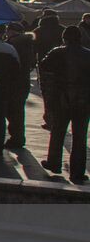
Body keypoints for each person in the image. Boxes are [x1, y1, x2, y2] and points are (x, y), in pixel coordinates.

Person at [40, 26, 90, 184]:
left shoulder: (57, 52)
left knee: (58, 131)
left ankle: (54, 163)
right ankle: (77, 172)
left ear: (64, 38)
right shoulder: (88, 54)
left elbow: (43, 65)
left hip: (61, 98)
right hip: (84, 100)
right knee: (80, 136)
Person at [8, 21, 37, 147]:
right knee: (18, 111)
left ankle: (16, 138)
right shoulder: (29, 44)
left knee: (11, 111)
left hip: (12, 82)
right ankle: (18, 137)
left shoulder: (12, 44)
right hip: (23, 81)